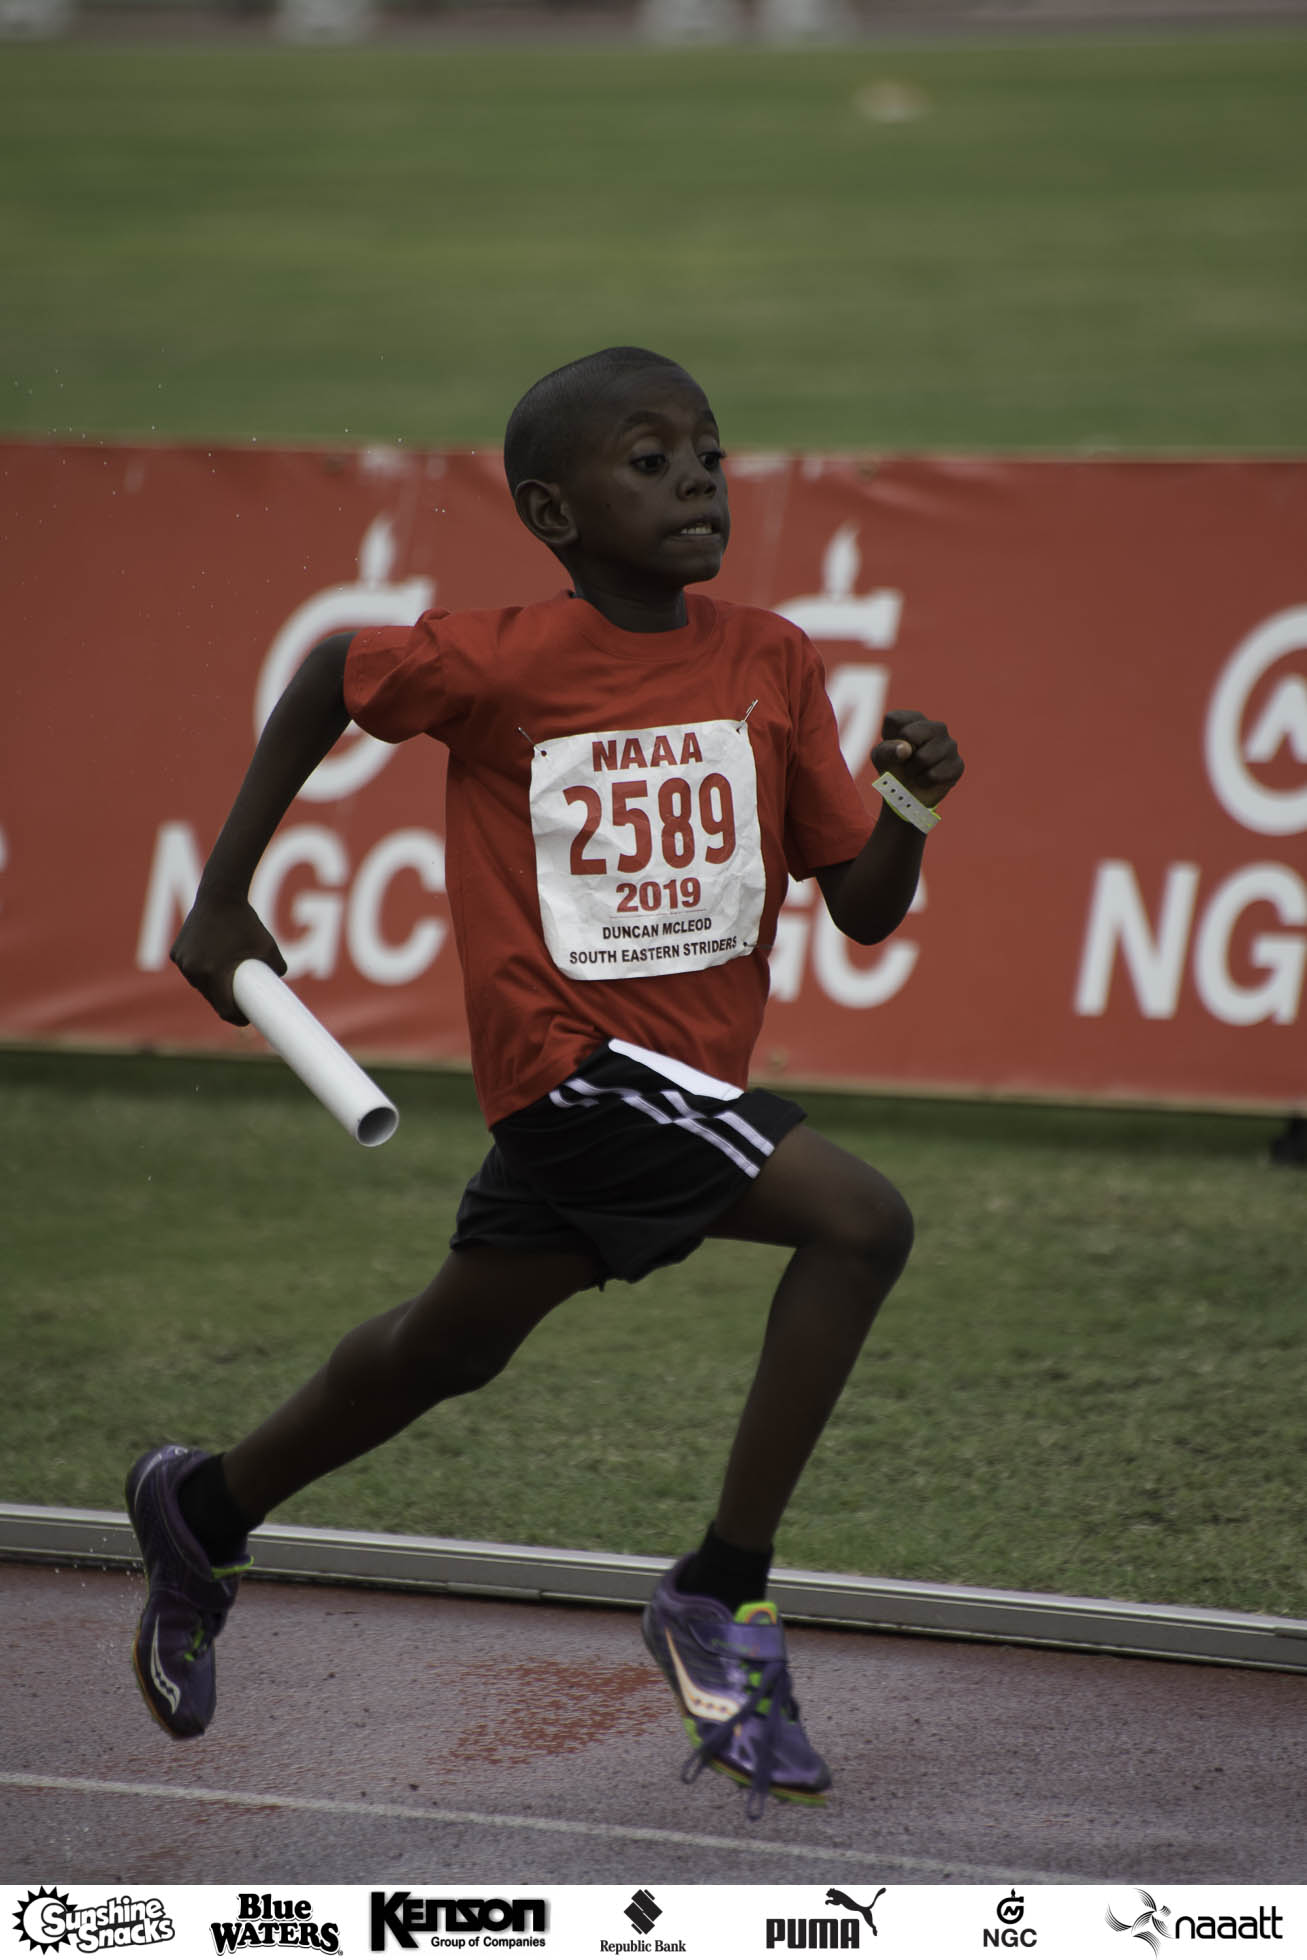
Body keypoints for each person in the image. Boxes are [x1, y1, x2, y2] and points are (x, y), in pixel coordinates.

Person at [127, 345, 963, 1819]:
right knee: (862, 1223)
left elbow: (864, 907)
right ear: (552, 512)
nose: (697, 479)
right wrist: (222, 894)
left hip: (674, 1090)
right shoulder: (501, 660)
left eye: (709, 453)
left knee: (444, 1350)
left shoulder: (772, 658)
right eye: (650, 460)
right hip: (570, 1079)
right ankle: (721, 1589)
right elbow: (331, 673)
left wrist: (908, 800)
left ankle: (203, 1508)